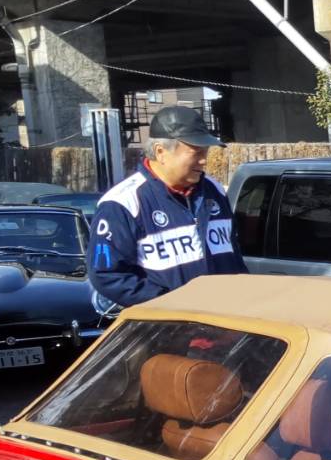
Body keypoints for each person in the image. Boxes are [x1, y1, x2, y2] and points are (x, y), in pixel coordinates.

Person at [89, 106, 245, 313]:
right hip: (169, 326)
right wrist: (169, 304)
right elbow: (107, 275)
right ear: (161, 152)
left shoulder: (214, 190)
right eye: (196, 152)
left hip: (226, 320)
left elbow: (234, 255)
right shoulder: (122, 204)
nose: (204, 160)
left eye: (206, 152)